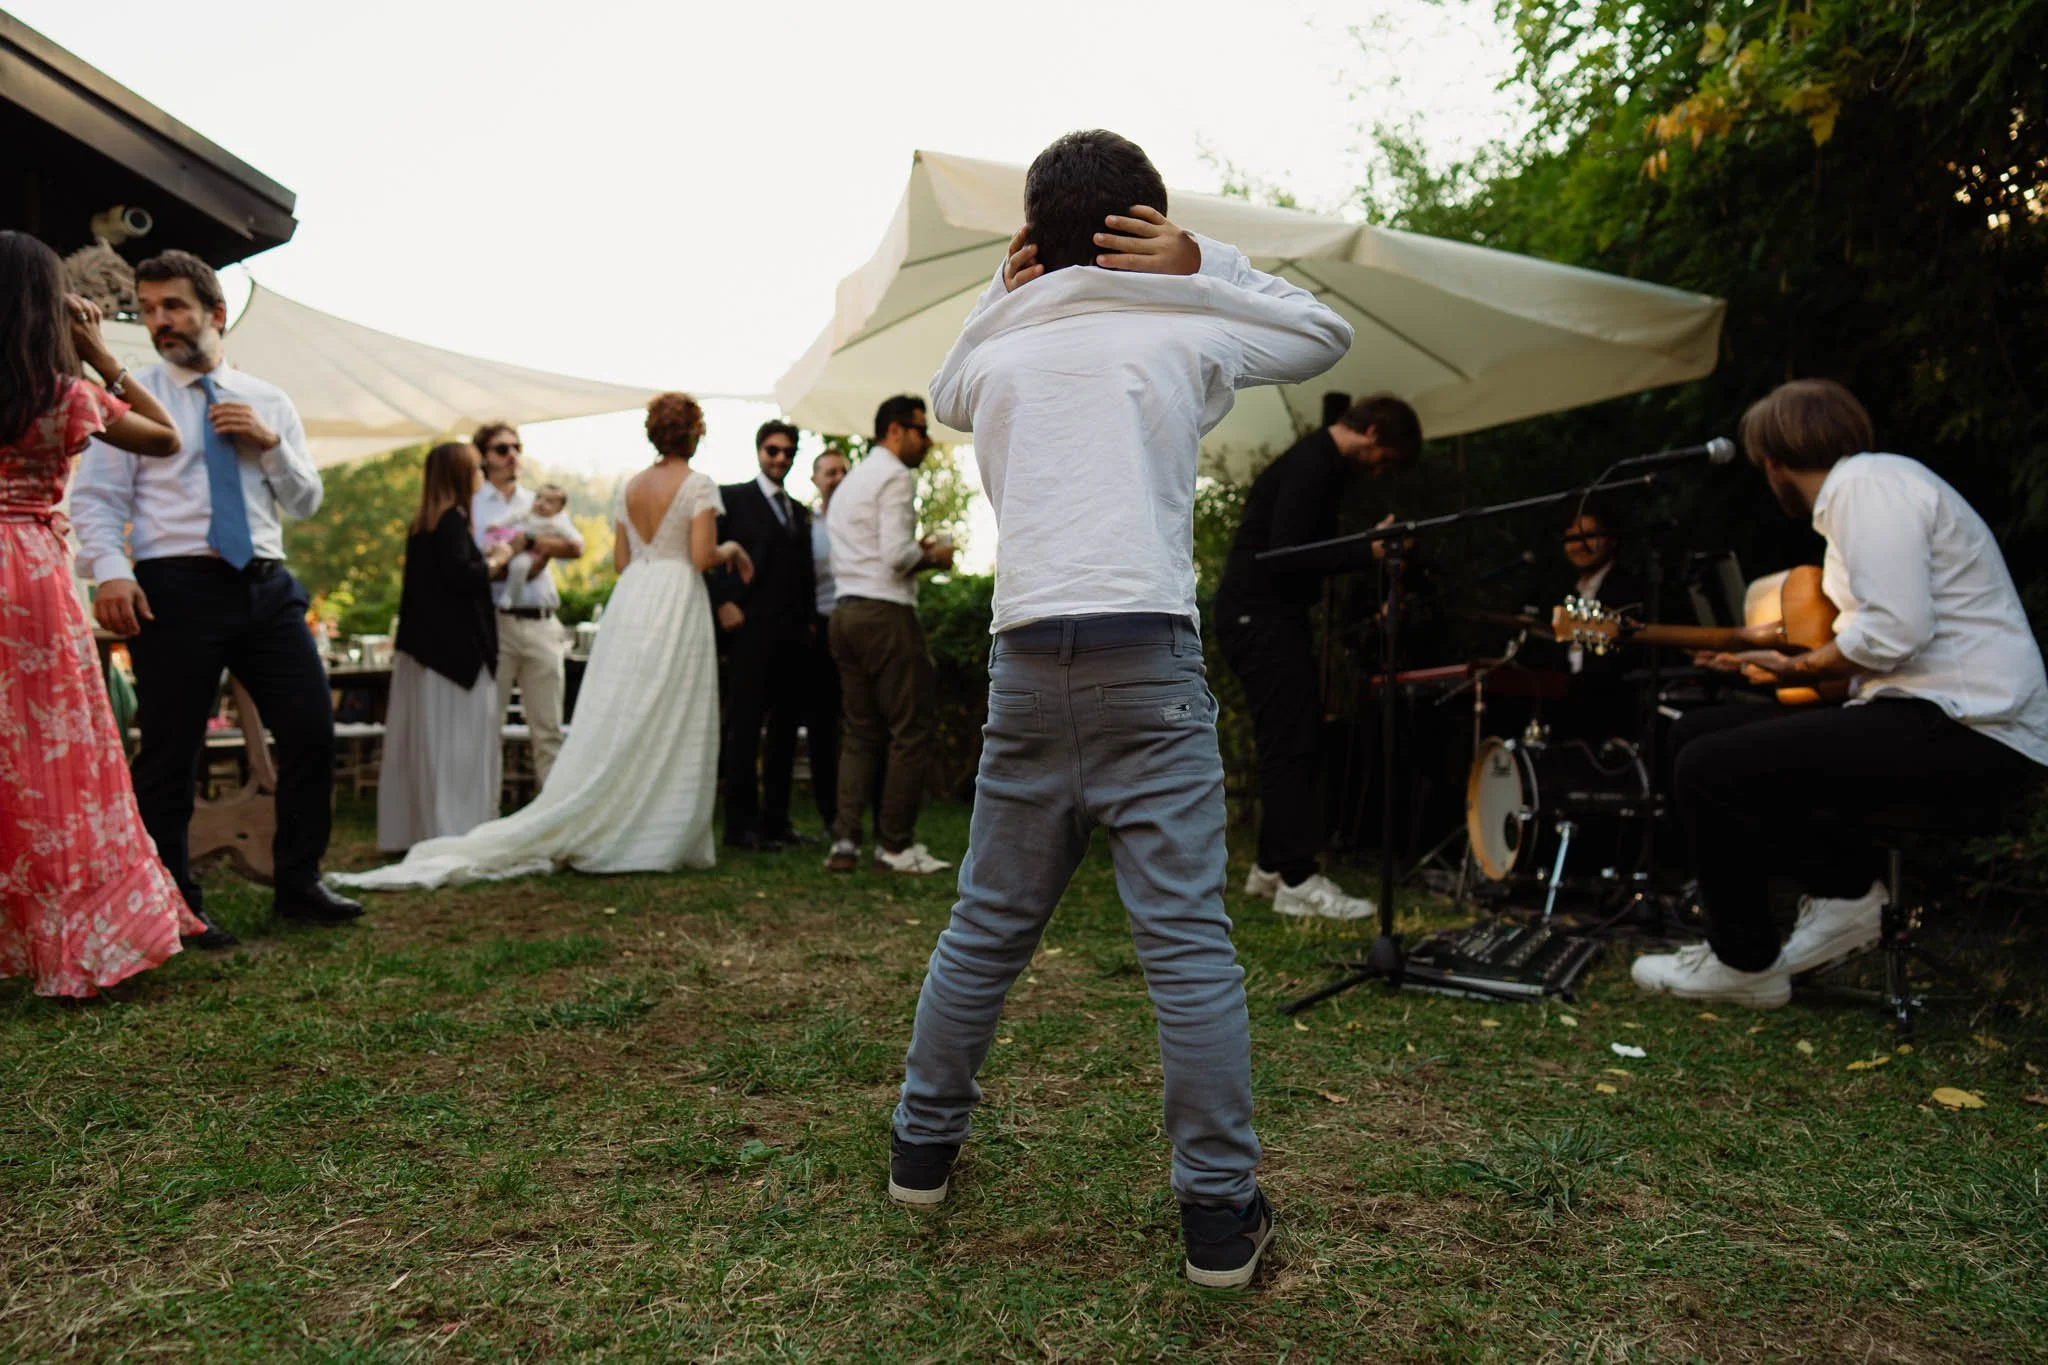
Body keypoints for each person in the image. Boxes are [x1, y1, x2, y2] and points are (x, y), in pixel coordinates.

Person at [895, 129, 1353, 1288]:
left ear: (1030, 240)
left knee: (987, 924)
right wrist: (1201, 260)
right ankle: (1215, 1216)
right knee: (1186, 946)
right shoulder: (1186, 315)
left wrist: (997, 294)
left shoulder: (996, 347)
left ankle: (919, 1151)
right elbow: (1322, 335)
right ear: (1142, 223)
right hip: (1145, 654)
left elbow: (946, 392)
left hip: (1022, 661)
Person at [1631, 379, 2048, 1007]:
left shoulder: (1864, 485)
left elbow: (1897, 629)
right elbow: (1878, 649)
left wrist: (1800, 672)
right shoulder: (1877, 487)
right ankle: (1845, 895)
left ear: (1772, 461)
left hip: (1973, 727)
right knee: (1700, 734)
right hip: (1941, 717)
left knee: (1706, 765)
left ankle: (1744, 963)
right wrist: (1779, 665)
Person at [331, 393, 751, 890]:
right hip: (673, 596)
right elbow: (701, 556)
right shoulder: (698, 484)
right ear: (696, 433)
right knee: (669, 710)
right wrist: (731, 547)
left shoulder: (631, 486)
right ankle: (658, 825)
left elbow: (620, 562)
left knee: (623, 712)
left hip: (634, 598)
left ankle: (614, 815)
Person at [72, 249, 361, 945]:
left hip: (265, 584)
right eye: (147, 310)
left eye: (173, 306)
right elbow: (97, 499)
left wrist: (271, 446)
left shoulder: (269, 400)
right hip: (174, 586)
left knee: (311, 731)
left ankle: (298, 881)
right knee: (171, 749)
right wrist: (112, 571)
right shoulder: (129, 398)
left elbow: (307, 500)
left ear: (215, 313)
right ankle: (176, 904)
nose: (159, 321)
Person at [0, 231, 206, 997]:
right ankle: (76, 939)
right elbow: (165, 435)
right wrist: (94, 351)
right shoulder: (62, 394)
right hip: (31, 580)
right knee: (59, 759)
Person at [1213, 394, 1423, 920]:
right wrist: (1367, 548)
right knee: (1294, 741)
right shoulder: (1313, 464)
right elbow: (1286, 554)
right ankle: (1298, 881)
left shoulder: (1317, 461)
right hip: (1259, 616)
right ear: (1373, 433)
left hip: (1257, 615)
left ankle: (1268, 868)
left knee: (1288, 736)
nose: (1380, 472)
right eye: (1387, 458)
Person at [823, 396, 954, 875]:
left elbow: (870, 549)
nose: (927, 439)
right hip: (885, 612)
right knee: (910, 727)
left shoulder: (853, 481)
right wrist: (936, 554)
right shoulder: (896, 476)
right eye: (921, 430)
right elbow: (897, 557)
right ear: (896, 431)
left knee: (859, 731)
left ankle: (844, 843)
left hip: (845, 613)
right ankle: (895, 846)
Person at [376, 441, 501, 852]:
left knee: (431, 745)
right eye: (476, 467)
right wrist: (498, 560)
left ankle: (425, 826)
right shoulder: (450, 521)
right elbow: (461, 578)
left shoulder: (422, 523)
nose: (482, 473)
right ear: (460, 475)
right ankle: (457, 829)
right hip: (456, 655)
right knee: (458, 745)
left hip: (428, 651)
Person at [711, 421, 817, 850]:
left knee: (785, 731)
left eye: (788, 452)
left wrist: (809, 622)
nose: (780, 459)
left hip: (793, 637)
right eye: (773, 450)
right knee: (745, 726)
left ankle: (777, 821)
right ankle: (740, 825)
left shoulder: (799, 511)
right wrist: (722, 601)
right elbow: (705, 553)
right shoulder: (732, 497)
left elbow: (803, 572)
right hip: (749, 632)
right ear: (758, 451)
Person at [471, 422, 584, 789]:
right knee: (488, 728)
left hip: (542, 622)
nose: (512, 455)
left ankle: (550, 823)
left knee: (548, 730)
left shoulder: (538, 501)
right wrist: (514, 556)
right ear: (484, 457)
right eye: (502, 449)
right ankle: (483, 819)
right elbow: (471, 565)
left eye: (516, 447)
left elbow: (575, 547)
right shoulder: (473, 506)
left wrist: (531, 544)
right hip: (495, 623)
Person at [805, 446, 852, 832]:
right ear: (816, 479)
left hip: (856, 624)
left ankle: (858, 807)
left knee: (860, 720)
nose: (837, 478)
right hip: (820, 628)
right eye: (829, 472)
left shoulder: (860, 520)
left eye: (843, 471)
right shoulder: (806, 525)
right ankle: (827, 811)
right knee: (822, 723)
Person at [485, 481, 576, 608]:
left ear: (559, 509)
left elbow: (575, 545)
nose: (541, 503)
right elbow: (512, 518)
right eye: (539, 498)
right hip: (510, 549)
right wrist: (497, 525)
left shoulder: (557, 522)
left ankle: (511, 597)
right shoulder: (528, 512)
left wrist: (530, 541)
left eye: (549, 502)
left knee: (519, 566)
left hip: (530, 555)